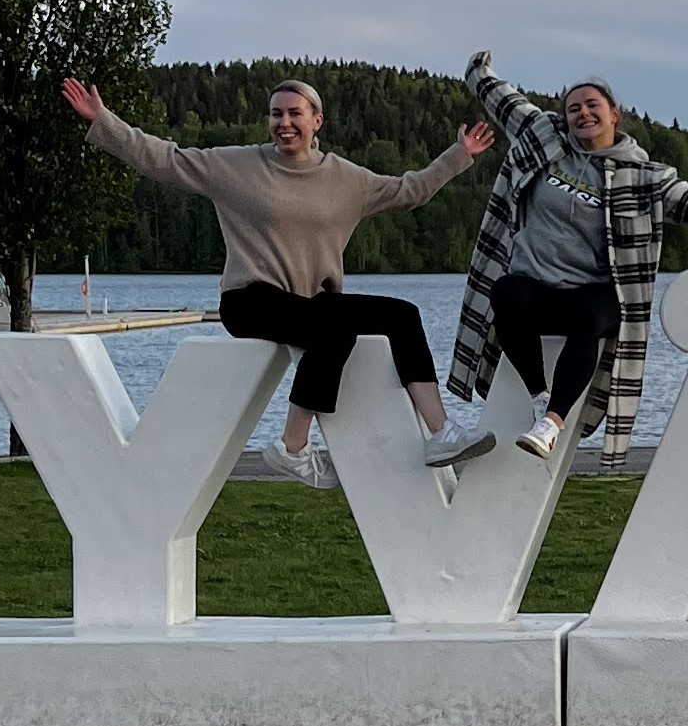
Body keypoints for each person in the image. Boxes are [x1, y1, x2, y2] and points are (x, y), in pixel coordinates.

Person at [62, 75, 494, 486]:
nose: (284, 123)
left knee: (403, 316)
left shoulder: (346, 179)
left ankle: (440, 432)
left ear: (316, 120)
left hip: (310, 303)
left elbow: (408, 191)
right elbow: (165, 159)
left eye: (294, 113)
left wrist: (458, 155)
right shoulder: (236, 166)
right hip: (249, 300)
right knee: (332, 330)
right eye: (275, 114)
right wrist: (104, 121)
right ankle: (292, 447)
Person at [448, 54, 688, 466]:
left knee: (591, 317)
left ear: (614, 114)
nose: (583, 114)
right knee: (504, 292)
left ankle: (551, 423)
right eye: (573, 109)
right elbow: (502, 99)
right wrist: (478, 68)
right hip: (535, 290)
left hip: (590, 293)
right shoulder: (542, 137)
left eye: (592, 106)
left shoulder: (642, 176)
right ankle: (538, 394)